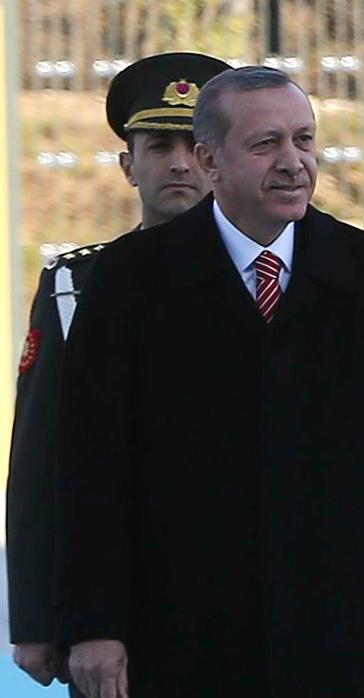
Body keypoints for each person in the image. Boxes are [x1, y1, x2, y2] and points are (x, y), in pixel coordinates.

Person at [56, 66, 364, 698]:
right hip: (179, 638)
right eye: (266, 144)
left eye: (304, 140)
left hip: (340, 637)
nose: (294, 163)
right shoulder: (130, 280)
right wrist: (93, 625)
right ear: (210, 160)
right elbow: (92, 469)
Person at [5, 51, 229, 692]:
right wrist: (34, 617)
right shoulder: (77, 286)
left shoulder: (270, 280)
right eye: (159, 146)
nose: (180, 163)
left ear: (219, 158)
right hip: (119, 599)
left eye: (194, 145)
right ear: (129, 166)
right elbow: (41, 455)